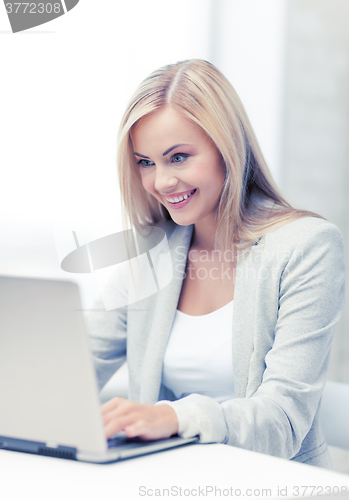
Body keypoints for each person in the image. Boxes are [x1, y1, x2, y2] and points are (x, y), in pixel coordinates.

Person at [87, 59, 346, 468]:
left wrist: (175, 417)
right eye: (145, 162)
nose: (161, 182)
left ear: (226, 147)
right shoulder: (151, 252)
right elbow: (76, 367)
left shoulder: (307, 246)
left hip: (275, 485)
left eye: (178, 157)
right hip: (166, 481)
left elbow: (283, 419)